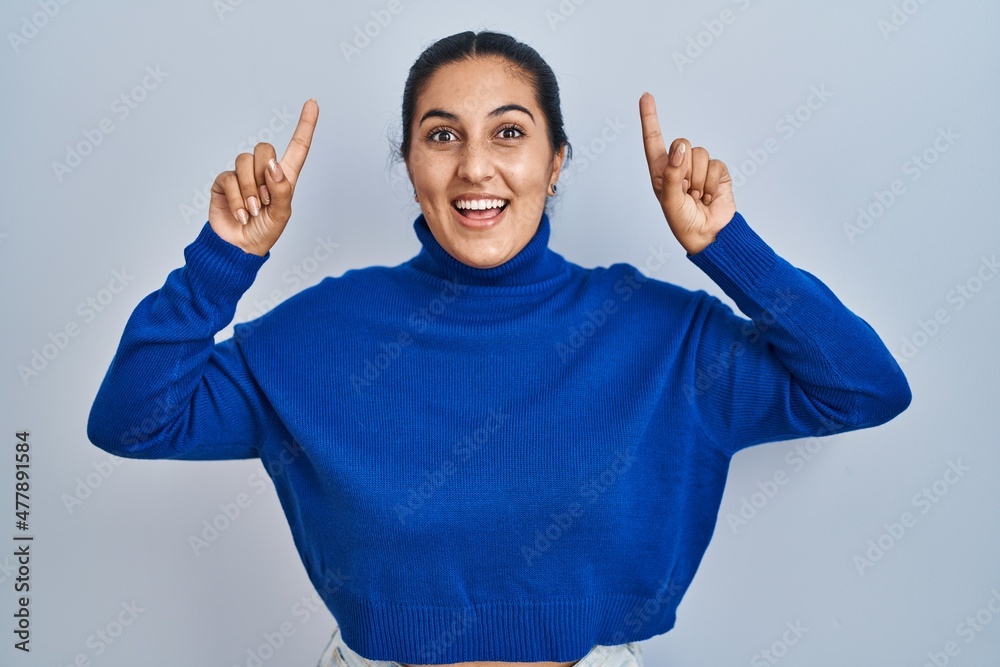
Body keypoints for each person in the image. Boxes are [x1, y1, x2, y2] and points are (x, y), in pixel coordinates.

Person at [87, 30, 911, 667]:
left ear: (555, 164)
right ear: (409, 165)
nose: (475, 167)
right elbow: (134, 419)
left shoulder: (661, 335)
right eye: (441, 136)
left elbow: (863, 387)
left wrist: (726, 245)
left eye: (508, 133)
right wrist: (224, 258)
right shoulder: (320, 332)